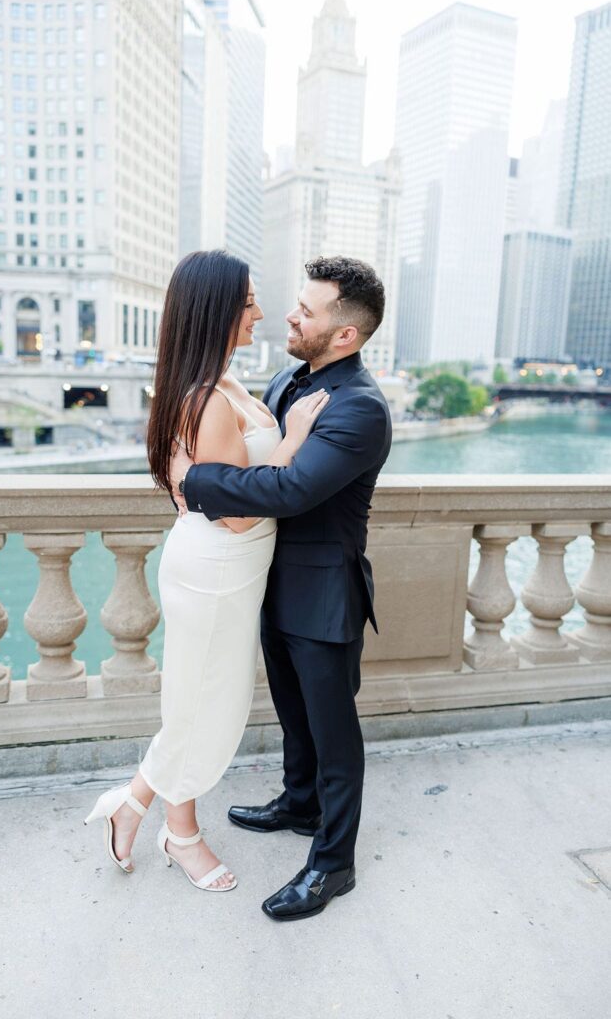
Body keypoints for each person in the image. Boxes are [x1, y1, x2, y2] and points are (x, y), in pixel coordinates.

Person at [84, 249, 329, 892]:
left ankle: (134, 807)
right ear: (218, 309)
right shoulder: (205, 399)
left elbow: (228, 483)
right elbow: (240, 516)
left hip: (236, 572)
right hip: (217, 568)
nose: (259, 312)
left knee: (201, 705)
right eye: (248, 301)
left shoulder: (228, 382)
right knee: (203, 710)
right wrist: (297, 437)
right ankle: (180, 833)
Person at [171, 255, 392, 920]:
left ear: (344, 334)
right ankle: (297, 804)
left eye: (306, 308)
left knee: (333, 735)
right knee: (294, 716)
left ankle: (332, 863)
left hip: (323, 596)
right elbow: (267, 456)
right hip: (264, 580)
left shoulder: (359, 409)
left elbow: (288, 488)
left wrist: (194, 482)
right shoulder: (287, 380)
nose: (289, 314)